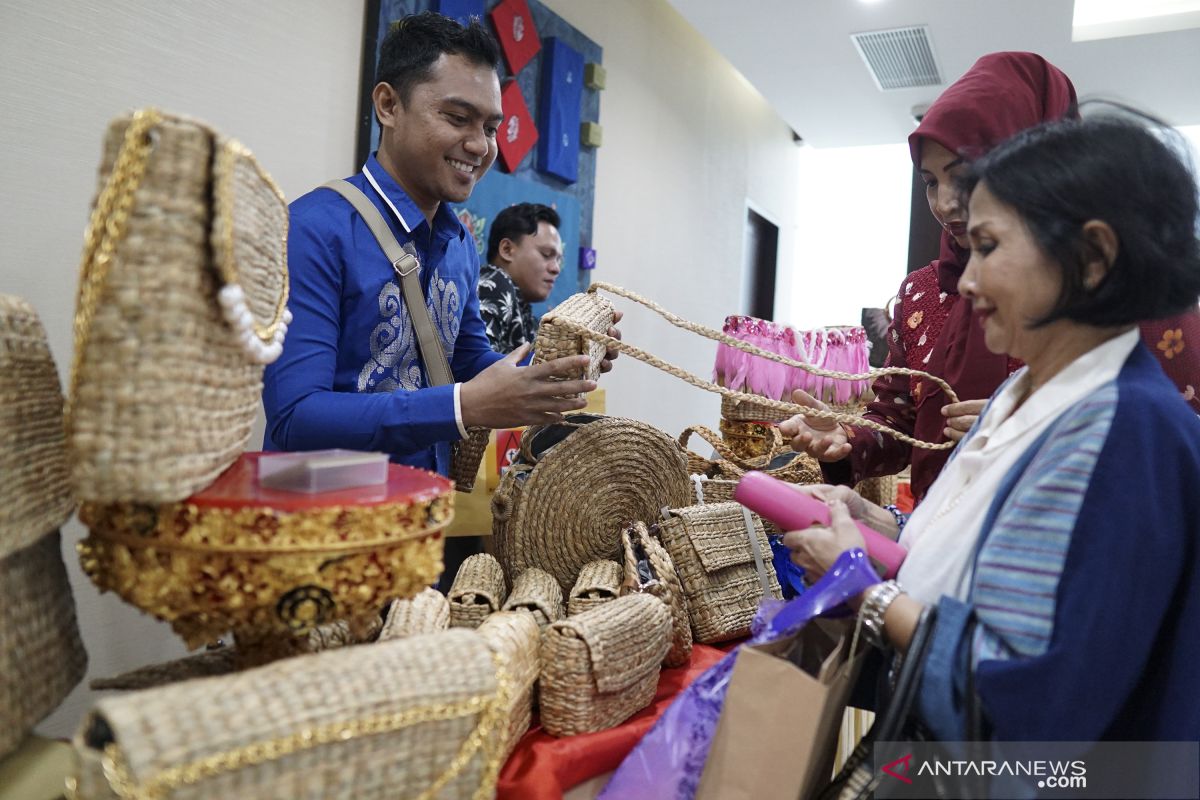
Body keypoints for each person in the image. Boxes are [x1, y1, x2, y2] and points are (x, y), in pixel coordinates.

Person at [785, 114, 1200, 748]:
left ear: (1092, 257)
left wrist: (860, 585)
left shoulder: (1127, 432)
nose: (968, 279)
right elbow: (978, 554)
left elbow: (1032, 702)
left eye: (989, 246)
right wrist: (878, 528)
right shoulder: (1021, 392)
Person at [261, 13, 618, 583]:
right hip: (318, 544)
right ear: (387, 106)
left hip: (420, 531)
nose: (479, 146)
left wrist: (562, 359)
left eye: (492, 127)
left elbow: (471, 360)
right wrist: (461, 407)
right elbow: (295, 418)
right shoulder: (313, 228)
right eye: (456, 118)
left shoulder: (456, 240)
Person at [781, 52, 1200, 506]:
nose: (944, 204)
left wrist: (1035, 430)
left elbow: (1172, 444)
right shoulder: (924, 293)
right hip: (939, 534)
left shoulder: (1122, 295)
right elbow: (901, 421)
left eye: (961, 177)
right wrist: (846, 439)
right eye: (930, 183)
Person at [478, 202, 564, 353]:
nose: (556, 268)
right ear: (507, 250)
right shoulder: (494, 285)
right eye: (546, 255)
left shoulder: (525, 312)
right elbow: (481, 369)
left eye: (558, 260)